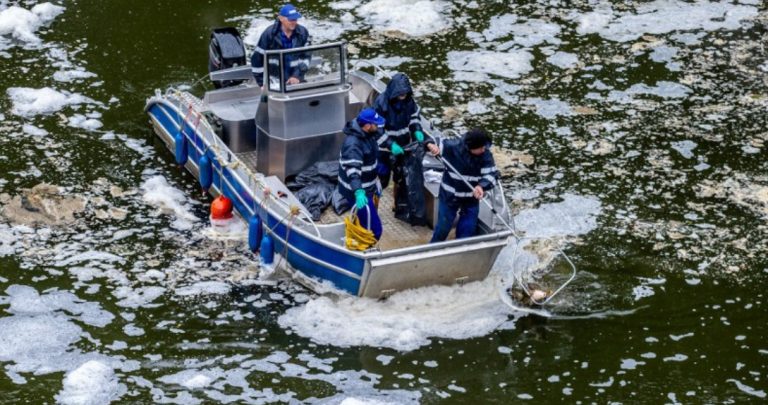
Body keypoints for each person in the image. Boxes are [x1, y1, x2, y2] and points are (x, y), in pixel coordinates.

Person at [430, 129, 499, 243]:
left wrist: (481, 186)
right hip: (449, 196)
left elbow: (491, 174)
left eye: (484, 147)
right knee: (443, 228)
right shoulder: (452, 147)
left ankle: (461, 252)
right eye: (481, 147)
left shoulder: (486, 155)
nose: (484, 149)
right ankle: (432, 249)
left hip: (470, 199)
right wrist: (430, 145)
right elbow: (432, 141)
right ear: (472, 147)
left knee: (467, 231)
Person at [374, 73, 435, 189]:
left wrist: (417, 130)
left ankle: (396, 205)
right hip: (384, 150)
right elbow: (377, 129)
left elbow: (414, 118)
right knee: (382, 178)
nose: (403, 95)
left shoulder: (409, 101)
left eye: (405, 93)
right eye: (400, 93)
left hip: (403, 146)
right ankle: (375, 202)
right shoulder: (381, 103)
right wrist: (390, 145)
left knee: (400, 177)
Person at [337, 108, 385, 241]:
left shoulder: (367, 134)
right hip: (358, 191)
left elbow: (380, 139)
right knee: (375, 230)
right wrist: (358, 191)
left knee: (364, 221)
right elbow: (353, 171)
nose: (378, 127)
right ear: (368, 126)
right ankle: (363, 252)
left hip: (369, 186)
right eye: (376, 124)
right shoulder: (353, 145)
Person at [250, 4, 310, 87]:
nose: (294, 22)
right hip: (274, 81)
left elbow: (306, 57)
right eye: (290, 19)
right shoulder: (268, 34)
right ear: (281, 18)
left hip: (295, 80)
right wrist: (262, 84)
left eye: (295, 19)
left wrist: (296, 76)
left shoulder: (303, 32)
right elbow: (257, 60)